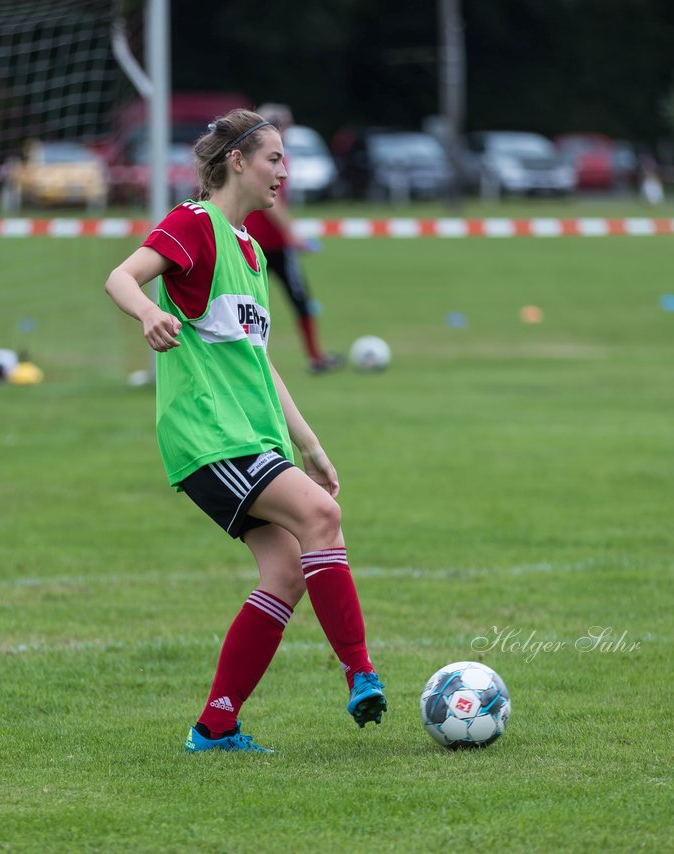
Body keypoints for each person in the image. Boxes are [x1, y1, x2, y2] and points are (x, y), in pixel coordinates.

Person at [104, 109, 386, 753]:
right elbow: (120, 276)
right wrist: (148, 311)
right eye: (274, 159)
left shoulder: (251, 250)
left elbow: (260, 364)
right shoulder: (193, 225)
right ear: (237, 160)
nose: (284, 171)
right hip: (209, 435)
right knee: (321, 516)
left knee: (286, 573)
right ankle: (360, 672)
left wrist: (311, 445)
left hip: (251, 436)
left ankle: (216, 726)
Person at [242, 103, 343, 374]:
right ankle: (314, 358)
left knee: (255, 306)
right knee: (290, 303)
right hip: (264, 245)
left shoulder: (260, 158)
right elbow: (274, 203)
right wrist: (292, 234)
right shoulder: (270, 160)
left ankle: (314, 357)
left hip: (253, 243)